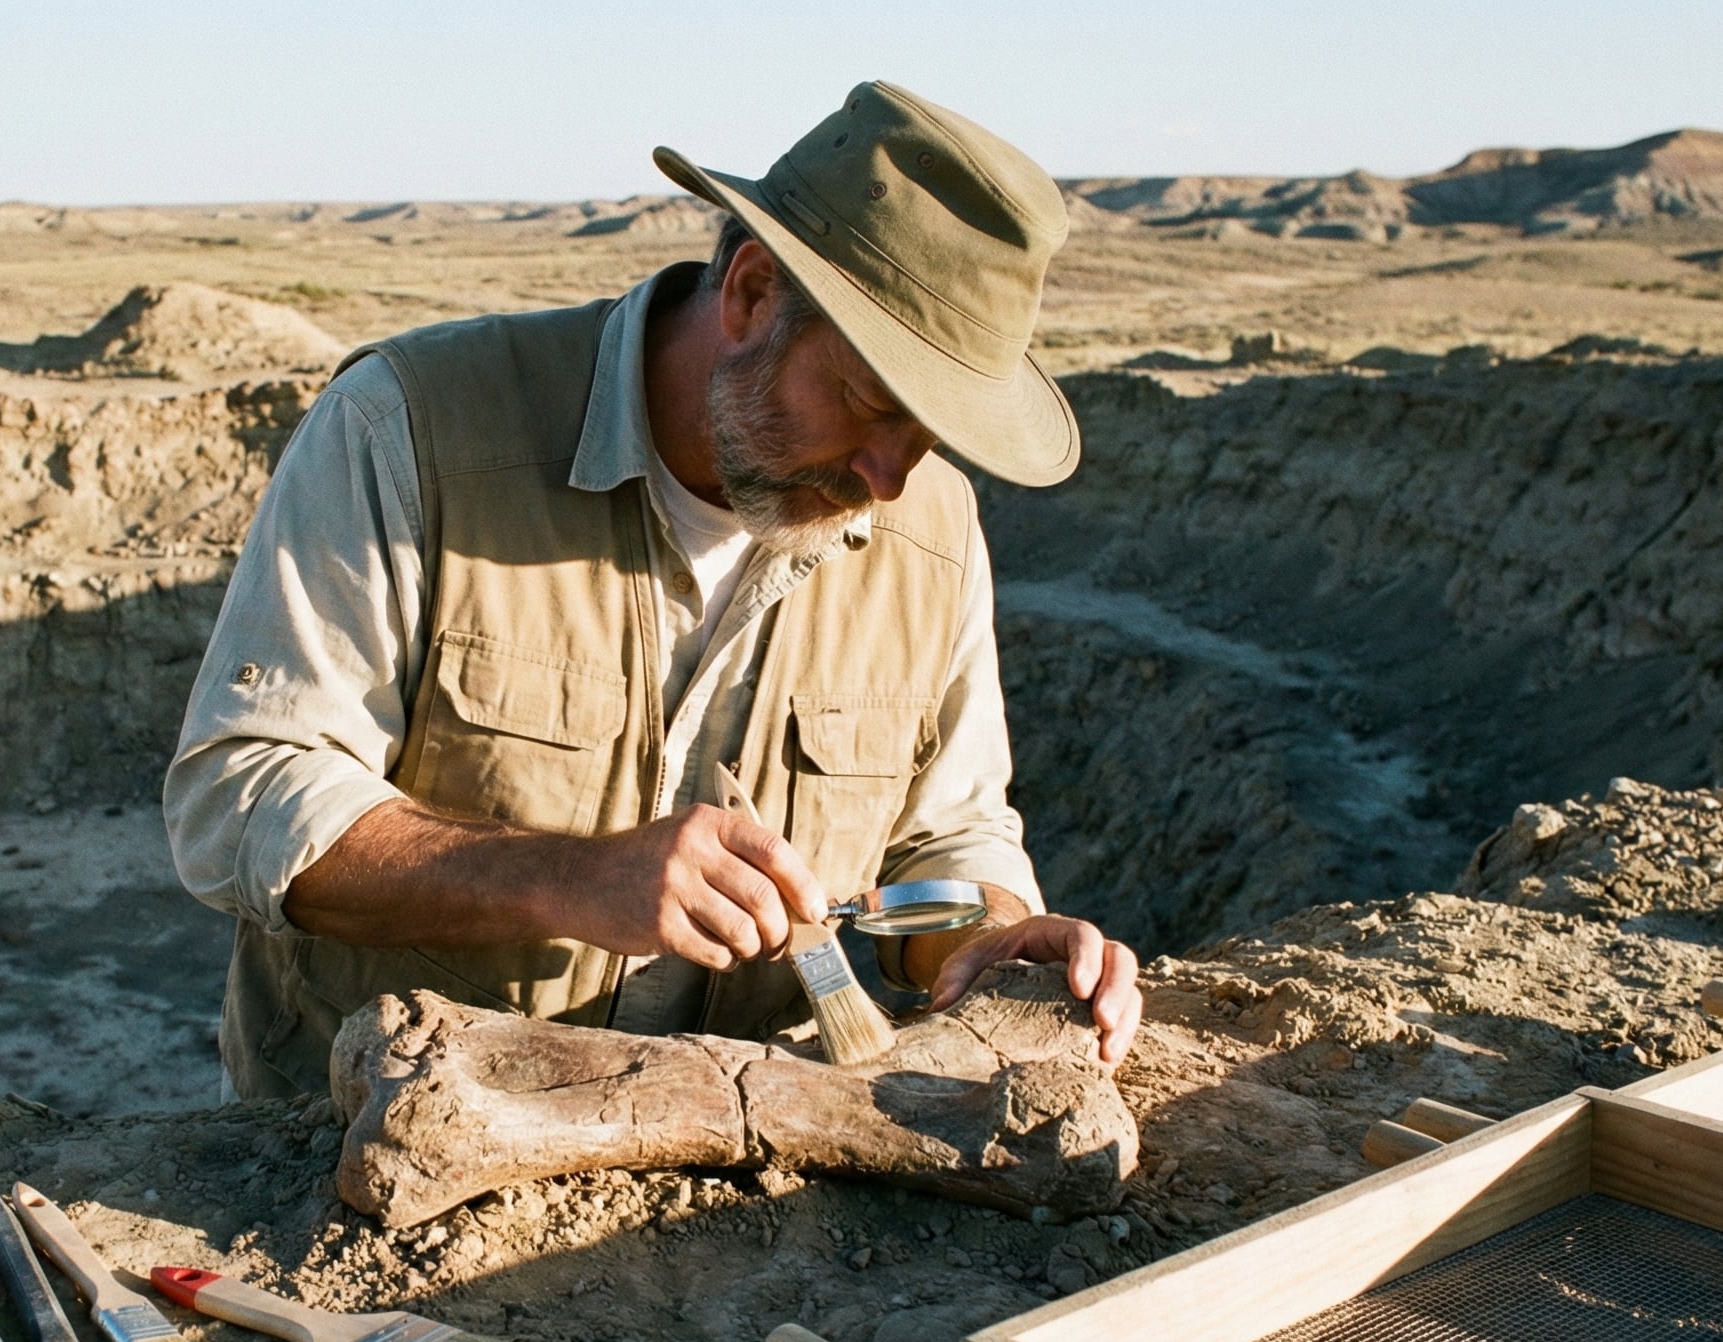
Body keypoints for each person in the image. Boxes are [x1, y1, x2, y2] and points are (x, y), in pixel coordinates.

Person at [167, 81, 1143, 1099]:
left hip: (731, 1168)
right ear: (753, 293)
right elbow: (239, 796)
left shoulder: (927, 526)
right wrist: (569, 879)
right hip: (362, 1149)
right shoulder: (410, 432)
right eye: (868, 404)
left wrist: (988, 938)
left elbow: (947, 833)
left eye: (930, 433)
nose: (888, 478)